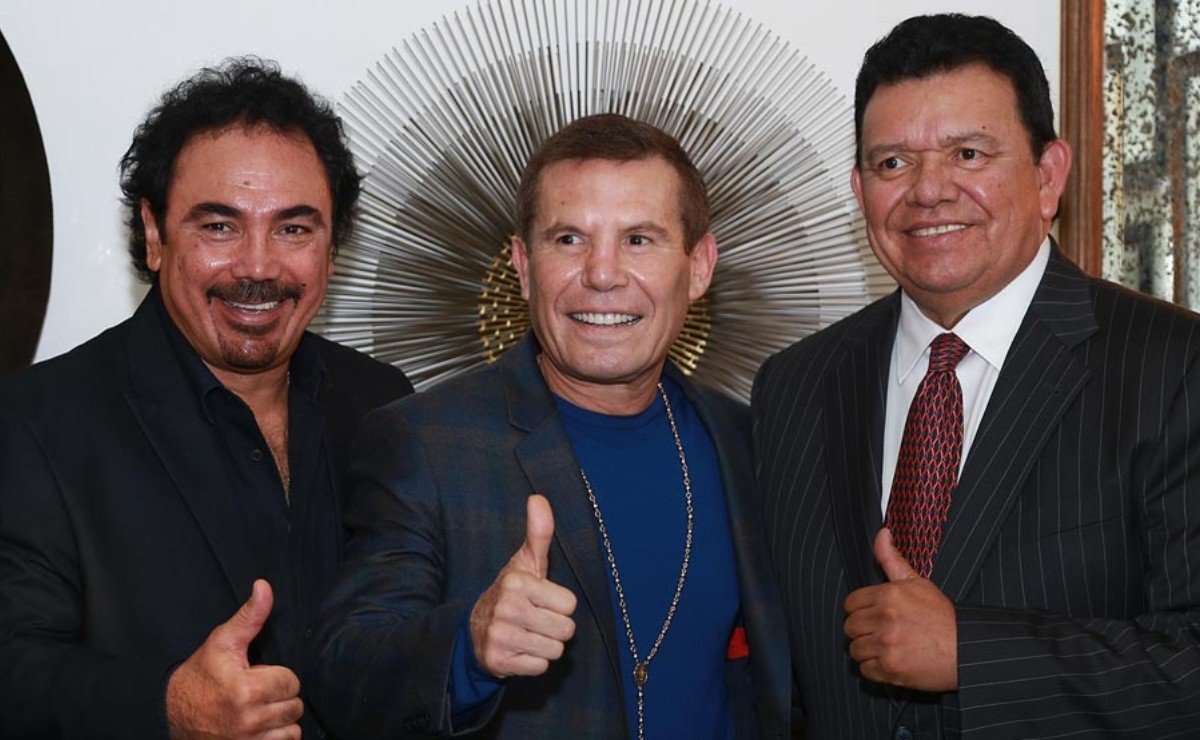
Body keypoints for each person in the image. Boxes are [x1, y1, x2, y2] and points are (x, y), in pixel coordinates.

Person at [753, 12, 1200, 739]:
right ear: (859, 188)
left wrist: (975, 655)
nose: (928, 191)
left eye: (967, 153)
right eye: (892, 163)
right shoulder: (793, 388)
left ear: (1048, 175)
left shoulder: (1174, 368)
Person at [308, 113, 789, 739]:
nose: (602, 273)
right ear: (523, 264)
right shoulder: (424, 442)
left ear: (698, 266)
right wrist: (466, 648)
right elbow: (345, 672)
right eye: (568, 239)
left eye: (638, 239)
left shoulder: (746, 442)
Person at [0, 58, 413, 739]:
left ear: (332, 247)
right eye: (220, 226)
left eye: (294, 228)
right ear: (155, 234)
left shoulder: (384, 405)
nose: (258, 265)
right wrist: (169, 706)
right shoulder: (33, 425)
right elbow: (12, 671)